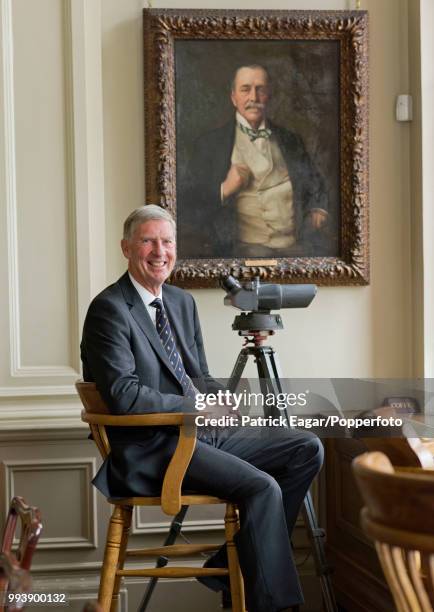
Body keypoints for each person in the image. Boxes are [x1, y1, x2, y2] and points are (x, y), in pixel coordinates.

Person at [80, 205, 323, 612]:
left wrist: (221, 397)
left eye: (168, 241)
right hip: (152, 447)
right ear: (126, 248)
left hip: (199, 435)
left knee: (306, 448)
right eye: (148, 240)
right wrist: (197, 407)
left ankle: (233, 564)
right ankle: (275, 605)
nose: (160, 250)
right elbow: (125, 395)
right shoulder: (110, 310)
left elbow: (198, 375)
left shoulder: (180, 301)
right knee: (263, 487)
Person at [180, 64, 329, 258]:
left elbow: (315, 183)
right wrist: (224, 189)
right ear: (233, 97)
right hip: (241, 251)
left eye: (261, 89)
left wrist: (318, 208)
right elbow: (188, 205)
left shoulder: (291, 140)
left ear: (269, 95)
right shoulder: (209, 144)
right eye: (245, 89)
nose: (254, 98)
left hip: (293, 248)